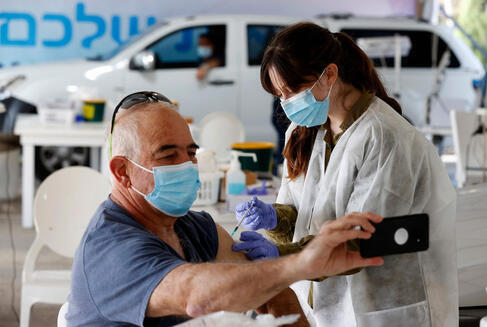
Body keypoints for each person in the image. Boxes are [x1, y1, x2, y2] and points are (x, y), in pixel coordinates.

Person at [65, 91, 384, 327]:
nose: (187, 166)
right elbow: (195, 296)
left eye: (190, 152)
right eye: (167, 155)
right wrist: (300, 263)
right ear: (122, 171)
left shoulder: (193, 226)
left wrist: (280, 273)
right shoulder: (109, 247)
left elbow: (270, 290)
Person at [232, 23, 458, 327]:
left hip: (387, 306)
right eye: (280, 94)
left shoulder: (384, 136)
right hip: (330, 305)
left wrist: (282, 256)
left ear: (329, 74)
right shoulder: (305, 133)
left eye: (293, 90)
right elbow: (306, 217)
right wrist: (274, 218)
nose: (286, 104)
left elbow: (361, 238)